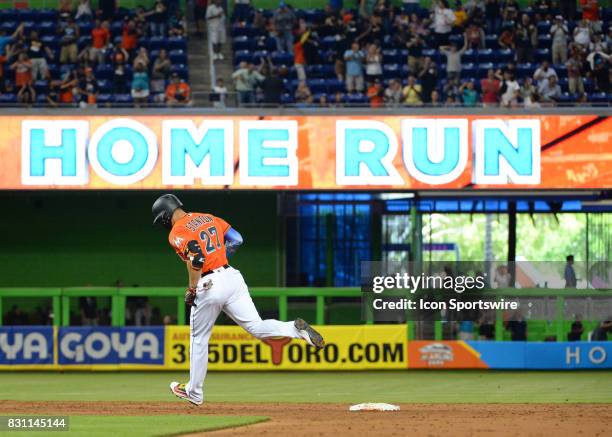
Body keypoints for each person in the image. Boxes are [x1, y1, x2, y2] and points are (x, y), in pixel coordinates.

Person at [152, 194, 324, 405]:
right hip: (232, 277)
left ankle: (194, 392)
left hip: (209, 283)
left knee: (199, 339)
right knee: (257, 326)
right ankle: (295, 330)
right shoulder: (208, 217)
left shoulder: (176, 231)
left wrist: (192, 288)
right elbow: (237, 239)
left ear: (165, 215)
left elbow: (196, 258)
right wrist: (219, 260)